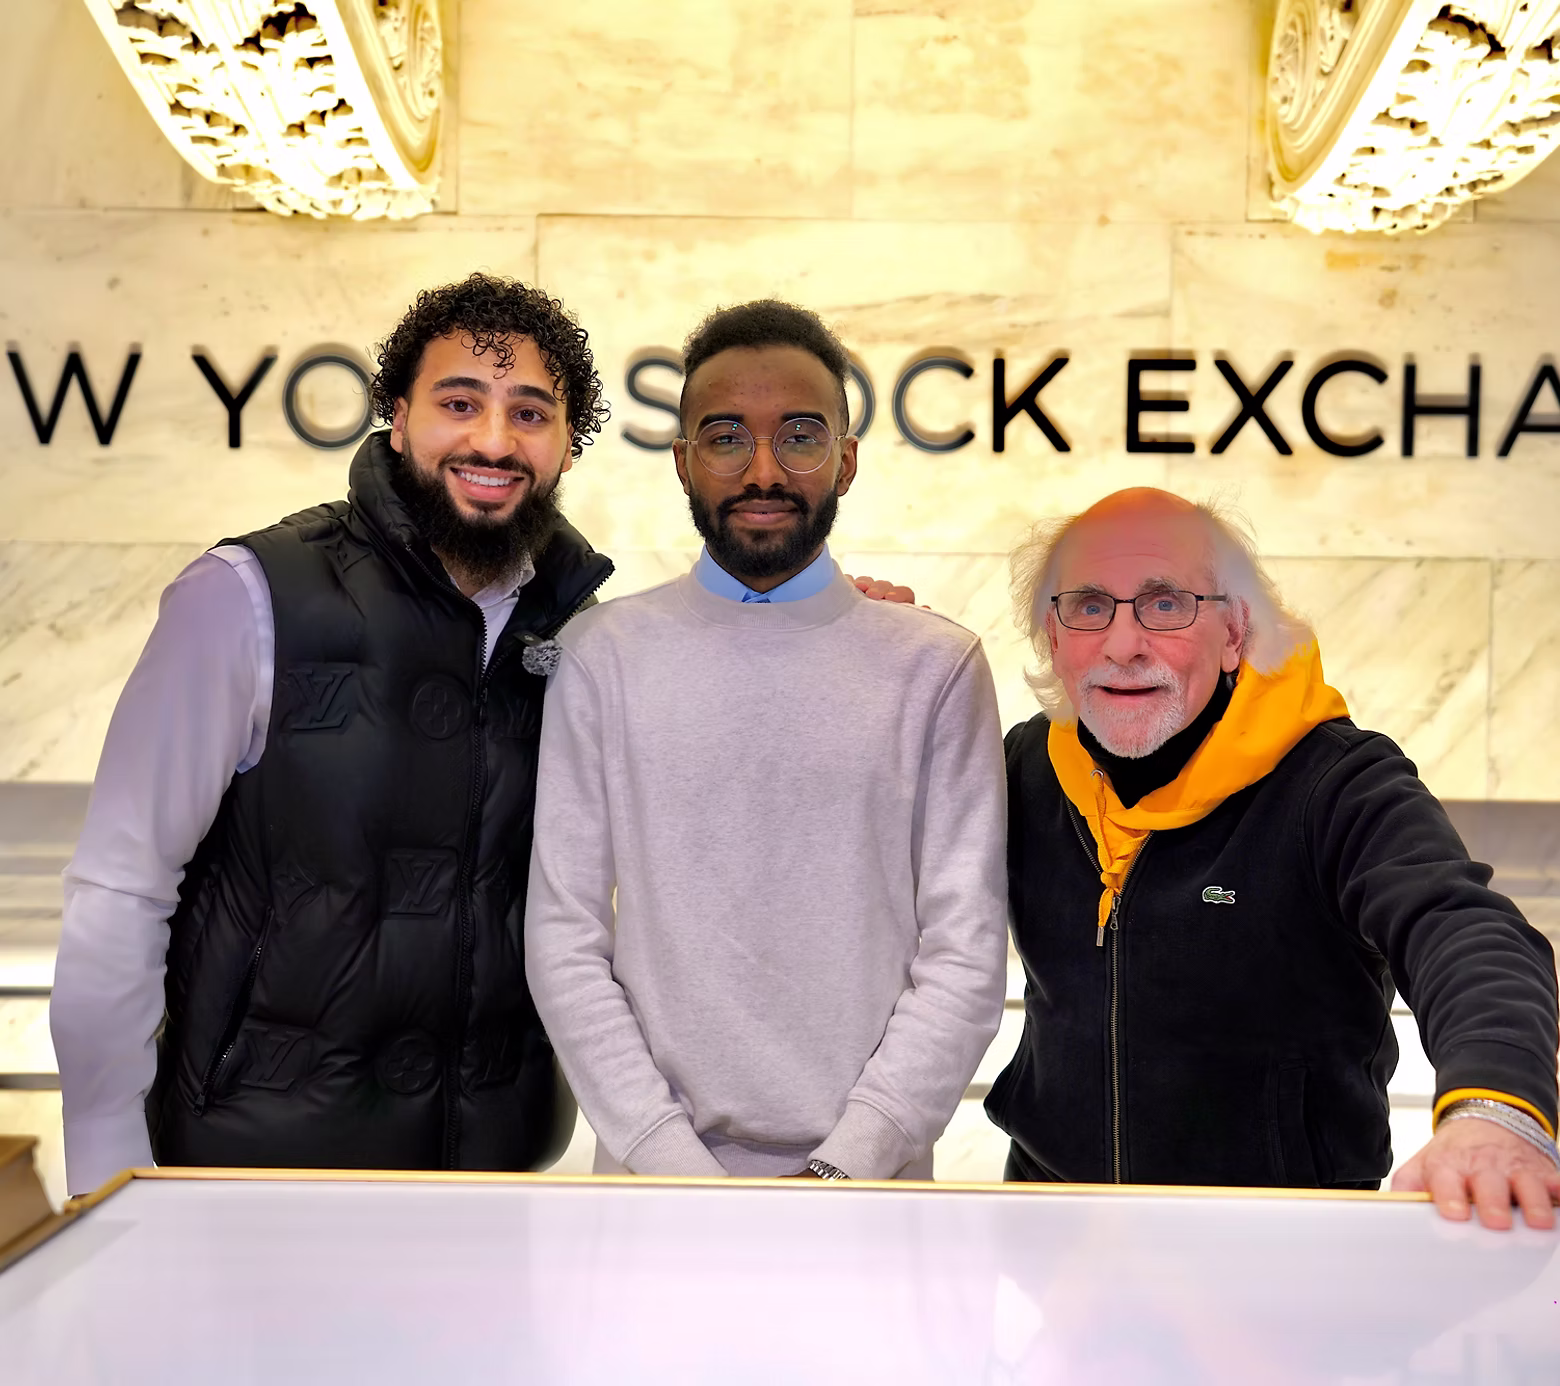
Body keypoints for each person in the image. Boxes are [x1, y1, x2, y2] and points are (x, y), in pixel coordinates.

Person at [50, 273, 615, 1193]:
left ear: (566, 445)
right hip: (259, 1164)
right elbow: (123, 881)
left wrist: (837, 625)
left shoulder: (581, 629)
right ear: (398, 418)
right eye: (459, 403)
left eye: (529, 413)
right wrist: (105, 1157)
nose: (492, 440)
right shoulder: (245, 595)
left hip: (500, 1169)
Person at [523, 300, 1008, 1180]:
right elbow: (564, 938)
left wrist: (845, 1168)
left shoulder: (936, 668)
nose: (763, 471)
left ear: (846, 459)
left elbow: (966, 951)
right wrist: (675, 1169)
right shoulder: (600, 657)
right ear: (683, 461)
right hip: (653, 1198)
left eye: (800, 436)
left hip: (872, 1198)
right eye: (725, 438)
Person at [988, 487, 1560, 1228]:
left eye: (1165, 604)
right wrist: (874, 645)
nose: (1123, 644)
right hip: (1055, 1221)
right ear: (1053, 636)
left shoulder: (1335, 782)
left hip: (1283, 1230)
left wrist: (1495, 1110)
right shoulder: (1026, 767)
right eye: (1090, 606)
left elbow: (1462, 930)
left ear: (1235, 631)